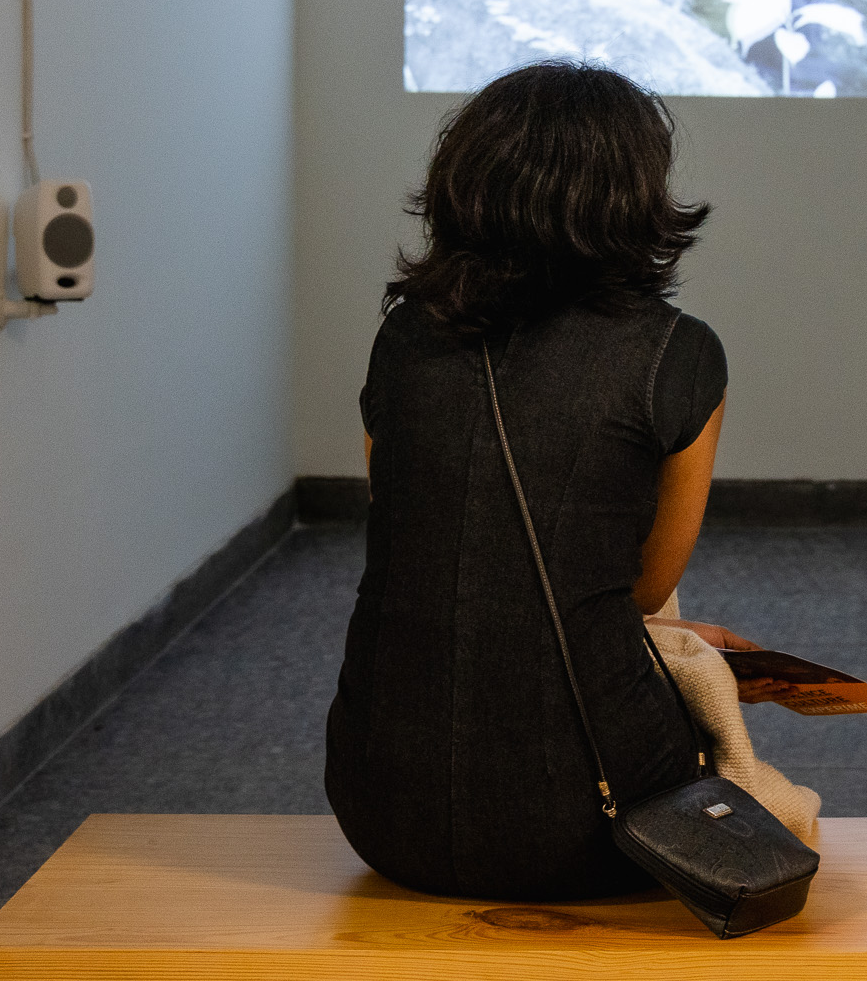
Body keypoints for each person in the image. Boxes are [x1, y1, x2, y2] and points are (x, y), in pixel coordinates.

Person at [325, 60, 767, 901]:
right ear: (635, 193)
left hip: (381, 809)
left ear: (465, 183)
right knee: (701, 719)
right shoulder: (678, 353)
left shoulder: (406, 341)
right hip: (601, 823)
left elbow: (413, 529)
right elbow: (644, 588)